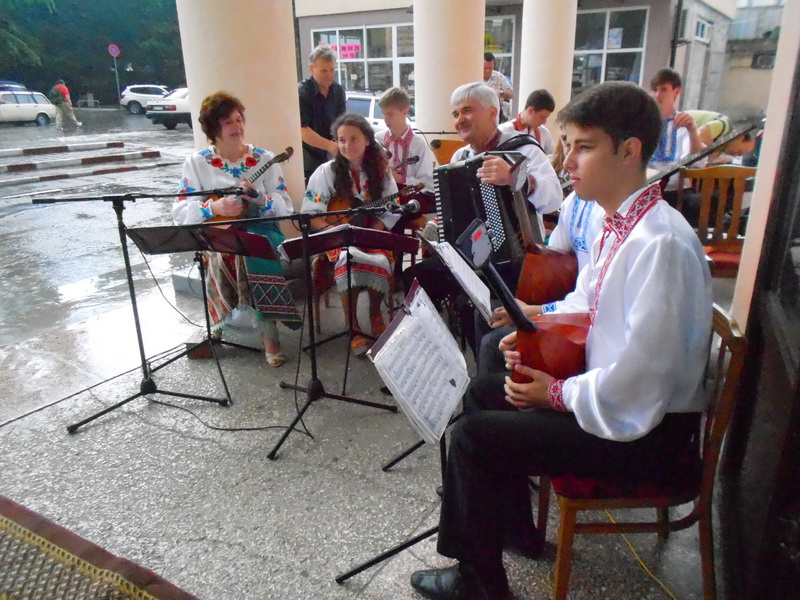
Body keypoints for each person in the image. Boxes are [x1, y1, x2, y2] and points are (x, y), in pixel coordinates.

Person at [409, 81, 713, 600]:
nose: (566, 161)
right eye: (567, 145)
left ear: (630, 150)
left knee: (473, 436)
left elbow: (642, 380)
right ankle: (513, 533)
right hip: (620, 402)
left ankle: (477, 583)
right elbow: (588, 304)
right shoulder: (625, 224)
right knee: (485, 390)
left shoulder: (660, 244)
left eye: (583, 146)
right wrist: (533, 330)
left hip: (647, 435)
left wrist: (554, 392)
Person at [402, 82, 562, 352]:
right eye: (455, 114)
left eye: (467, 111)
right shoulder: (459, 157)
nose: (459, 119)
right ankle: (439, 357)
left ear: (491, 113)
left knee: (473, 305)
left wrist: (517, 178)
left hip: (517, 260)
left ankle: (484, 365)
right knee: (416, 280)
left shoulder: (523, 149)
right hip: (472, 259)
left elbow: (554, 196)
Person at [173, 91, 300, 367]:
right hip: (219, 232)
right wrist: (213, 210)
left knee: (253, 249)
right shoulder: (196, 163)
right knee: (226, 251)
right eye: (229, 121)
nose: (238, 126)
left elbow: (285, 207)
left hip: (261, 229)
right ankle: (220, 321)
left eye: (240, 119)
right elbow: (180, 211)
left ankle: (269, 334)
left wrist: (259, 199)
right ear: (213, 127)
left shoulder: (264, 159)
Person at [301, 112, 399, 355]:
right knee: (348, 259)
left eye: (353, 139)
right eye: (341, 139)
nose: (347, 145)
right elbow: (311, 214)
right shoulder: (326, 172)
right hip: (336, 237)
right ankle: (352, 325)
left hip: (368, 234)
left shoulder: (381, 172)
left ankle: (375, 314)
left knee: (383, 257)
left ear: (367, 140)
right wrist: (337, 231)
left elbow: (392, 210)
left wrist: (374, 232)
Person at [375, 87, 435, 231]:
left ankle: (393, 250)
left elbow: (428, 183)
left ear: (405, 112)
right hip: (384, 193)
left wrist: (402, 179)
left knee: (395, 210)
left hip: (409, 195)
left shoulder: (418, 145)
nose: (385, 119)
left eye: (390, 114)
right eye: (383, 114)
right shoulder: (378, 139)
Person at [648, 67, 706, 207]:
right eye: (655, 90)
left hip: (677, 192)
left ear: (677, 91)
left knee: (697, 204)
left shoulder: (685, 123)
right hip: (648, 190)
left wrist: (692, 131)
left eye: (663, 89)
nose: (657, 95)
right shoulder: (641, 123)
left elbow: (697, 163)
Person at [299, 45, 347, 183]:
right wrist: (330, 146)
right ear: (311, 69)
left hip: (334, 157)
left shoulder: (338, 91)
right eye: (324, 71)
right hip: (310, 161)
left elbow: (342, 123)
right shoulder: (302, 92)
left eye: (332, 70)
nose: (330, 75)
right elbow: (303, 130)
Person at [499, 89, 556, 156]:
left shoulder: (544, 133)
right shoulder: (504, 130)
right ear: (530, 111)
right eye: (542, 117)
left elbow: (551, 158)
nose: (544, 122)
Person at [483, 52, 513, 123]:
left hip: (497, 112)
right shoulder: (474, 76)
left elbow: (511, 93)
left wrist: (501, 93)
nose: (488, 71)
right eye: (485, 68)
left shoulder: (499, 77)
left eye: (490, 68)